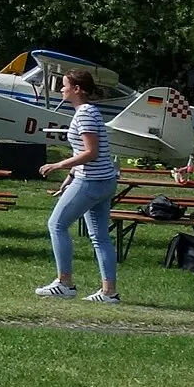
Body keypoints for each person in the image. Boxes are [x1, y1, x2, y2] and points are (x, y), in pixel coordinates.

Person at [37, 69, 123, 303]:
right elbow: (87, 153)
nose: (61, 89)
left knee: (56, 224)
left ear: (77, 89)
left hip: (92, 182)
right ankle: (109, 292)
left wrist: (58, 165)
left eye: (64, 85)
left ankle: (65, 283)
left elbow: (91, 152)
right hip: (103, 181)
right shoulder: (90, 112)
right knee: (100, 237)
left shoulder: (84, 113)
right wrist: (71, 177)